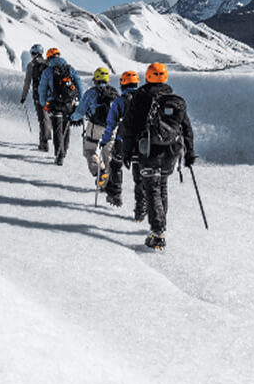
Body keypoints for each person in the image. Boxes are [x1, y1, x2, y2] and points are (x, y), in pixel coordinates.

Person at [118, 63, 195, 250]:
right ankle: (160, 226)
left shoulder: (141, 96)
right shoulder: (174, 99)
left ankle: (157, 232)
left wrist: (126, 152)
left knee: (151, 187)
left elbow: (128, 126)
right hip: (171, 151)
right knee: (162, 186)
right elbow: (186, 127)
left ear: (148, 76)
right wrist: (190, 152)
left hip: (148, 149)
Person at [99, 71, 142, 215]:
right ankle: (141, 205)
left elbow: (111, 124)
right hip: (141, 141)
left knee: (116, 165)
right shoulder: (145, 98)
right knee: (140, 173)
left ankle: (115, 194)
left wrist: (105, 141)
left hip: (122, 140)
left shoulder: (119, 101)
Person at [70, 67, 118, 189]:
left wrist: (72, 118)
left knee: (89, 151)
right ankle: (108, 182)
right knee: (108, 153)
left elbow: (80, 112)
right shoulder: (114, 93)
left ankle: (99, 172)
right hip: (112, 128)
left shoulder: (91, 93)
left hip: (95, 126)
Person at [36, 48, 84, 166]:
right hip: (68, 104)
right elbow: (79, 85)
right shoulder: (69, 69)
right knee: (66, 127)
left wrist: (43, 103)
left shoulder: (48, 71)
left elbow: (41, 89)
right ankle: (65, 150)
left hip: (55, 104)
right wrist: (79, 102)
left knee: (57, 129)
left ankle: (59, 155)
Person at [19, 44, 52, 150]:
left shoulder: (31, 65)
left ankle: (44, 142)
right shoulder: (48, 64)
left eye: (32, 53)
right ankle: (45, 138)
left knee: (42, 118)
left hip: (38, 94)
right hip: (50, 95)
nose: (32, 56)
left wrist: (23, 96)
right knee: (47, 117)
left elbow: (27, 82)